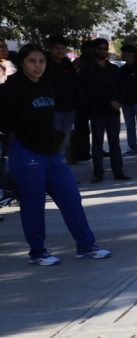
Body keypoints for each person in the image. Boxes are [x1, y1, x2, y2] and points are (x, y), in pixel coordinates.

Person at [0, 44, 111, 265]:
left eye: (41, 61)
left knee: (71, 198)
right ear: (22, 63)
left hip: (51, 152)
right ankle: (37, 252)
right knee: (33, 203)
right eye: (32, 61)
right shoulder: (9, 89)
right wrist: (11, 134)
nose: (38, 66)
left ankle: (86, 246)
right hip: (25, 151)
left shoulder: (47, 86)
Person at [79, 38, 129, 183]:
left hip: (113, 112)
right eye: (99, 48)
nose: (102, 51)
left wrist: (119, 101)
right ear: (93, 50)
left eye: (105, 49)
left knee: (115, 143)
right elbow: (88, 91)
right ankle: (98, 173)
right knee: (97, 144)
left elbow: (122, 87)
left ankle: (118, 171)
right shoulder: (87, 70)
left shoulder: (114, 69)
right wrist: (109, 101)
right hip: (96, 112)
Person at [44, 35, 80, 159]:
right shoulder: (45, 65)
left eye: (62, 48)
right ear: (50, 48)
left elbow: (75, 85)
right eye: (57, 48)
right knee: (53, 141)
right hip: (53, 109)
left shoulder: (68, 64)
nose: (60, 51)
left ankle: (60, 166)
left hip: (69, 108)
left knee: (64, 141)